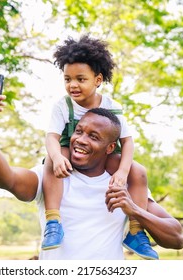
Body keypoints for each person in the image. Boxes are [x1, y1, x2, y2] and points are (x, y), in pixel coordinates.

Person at [0, 92, 183, 259]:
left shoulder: (124, 185)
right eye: (79, 131)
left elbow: (177, 238)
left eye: (93, 136)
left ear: (110, 147)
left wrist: (135, 211)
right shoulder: (53, 175)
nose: (80, 139)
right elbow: (8, 180)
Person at [41, 34, 157, 259]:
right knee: (50, 162)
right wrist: (56, 157)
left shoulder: (112, 107)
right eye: (67, 79)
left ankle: (136, 230)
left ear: (97, 80)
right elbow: (51, 137)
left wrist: (122, 172)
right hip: (70, 150)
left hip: (104, 154)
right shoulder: (63, 106)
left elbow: (127, 142)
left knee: (139, 171)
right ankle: (53, 221)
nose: (72, 85)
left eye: (80, 79)